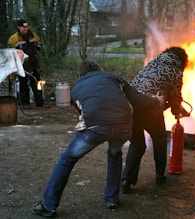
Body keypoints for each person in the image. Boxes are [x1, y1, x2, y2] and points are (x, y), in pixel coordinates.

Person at [30, 60, 163, 217]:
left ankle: (48, 205)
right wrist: (157, 101)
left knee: (67, 159)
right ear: (99, 69)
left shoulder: (76, 88)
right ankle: (112, 199)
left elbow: (82, 112)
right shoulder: (115, 78)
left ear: (82, 74)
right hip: (124, 126)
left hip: (96, 127)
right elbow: (139, 99)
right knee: (115, 153)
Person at [121, 46, 189, 193]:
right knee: (159, 139)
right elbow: (175, 96)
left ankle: (126, 180)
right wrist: (177, 112)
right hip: (150, 108)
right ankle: (159, 175)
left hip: (131, 106)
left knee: (137, 144)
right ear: (182, 60)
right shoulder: (175, 70)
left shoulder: (153, 63)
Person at [8, 18, 46, 109]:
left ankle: (40, 102)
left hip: (34, 64)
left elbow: (39, 47)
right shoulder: (13, 39)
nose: (25, 29)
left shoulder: (34, 36)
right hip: (22, 65)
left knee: (37, 82)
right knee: (23, 84)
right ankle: (25, 103)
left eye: (26, 27)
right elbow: (10, 53)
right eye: (23, 27)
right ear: (18, 27)